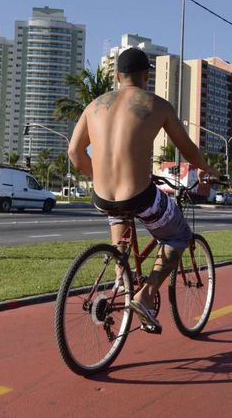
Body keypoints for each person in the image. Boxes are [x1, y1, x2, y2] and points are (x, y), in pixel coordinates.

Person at [68, 47, 218, 333]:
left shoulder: (95, 105)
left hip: (102, 197)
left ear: (116, 76)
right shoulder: (157, 104)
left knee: (120, 250)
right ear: (147, 77)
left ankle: (121, 283)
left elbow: (75, 152)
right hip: (139, 196)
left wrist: (97, 176)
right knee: (179, 236)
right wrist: (208, 170)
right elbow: (187, 150)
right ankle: (145, 296)